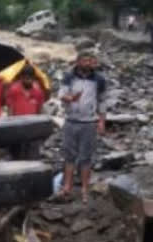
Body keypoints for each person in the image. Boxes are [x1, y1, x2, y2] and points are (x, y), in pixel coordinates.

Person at [58, 51, 106, 204]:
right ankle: (67, 186)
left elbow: (102, 101)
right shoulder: (69, 77)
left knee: (86, 158)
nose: (88, 63)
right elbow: (61, 94)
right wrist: (70, 98)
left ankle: (85, 189)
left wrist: (102, 121)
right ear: (78, 62)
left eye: (91, 61)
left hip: (89, 123)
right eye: (85, 60)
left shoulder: (99, 79)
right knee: (69, 156)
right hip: (71, 120)